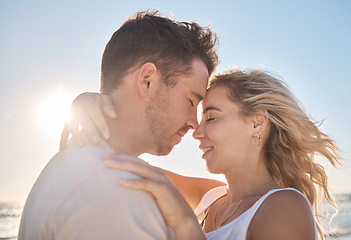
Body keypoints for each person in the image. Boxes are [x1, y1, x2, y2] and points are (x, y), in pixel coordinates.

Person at [63, 68, 341, 239]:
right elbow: (114, 166)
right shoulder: (211, 199)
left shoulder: (285, 207)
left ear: (257, 123)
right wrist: (91, 106)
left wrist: (185, 224)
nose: (196, 131)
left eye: (211, 118)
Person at [18, 10, 219, 240]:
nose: (194, 123)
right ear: (147, 81)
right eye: (191, 101)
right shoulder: (116, 192)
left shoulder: (79, 161)